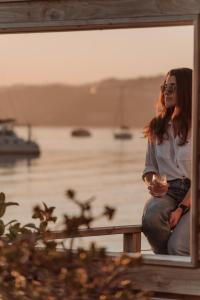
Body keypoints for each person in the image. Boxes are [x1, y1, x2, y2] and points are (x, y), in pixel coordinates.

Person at [142, 68, 192, 255]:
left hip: (194, 194)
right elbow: (149, 168)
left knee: (177, 246)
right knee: (152, 218)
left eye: (173, 88)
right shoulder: (157, 126)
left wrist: (181, 209)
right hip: (169, 191)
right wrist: (153, 182)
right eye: (165, 87)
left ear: (187, 91)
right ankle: (168, 264)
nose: (166, 92)